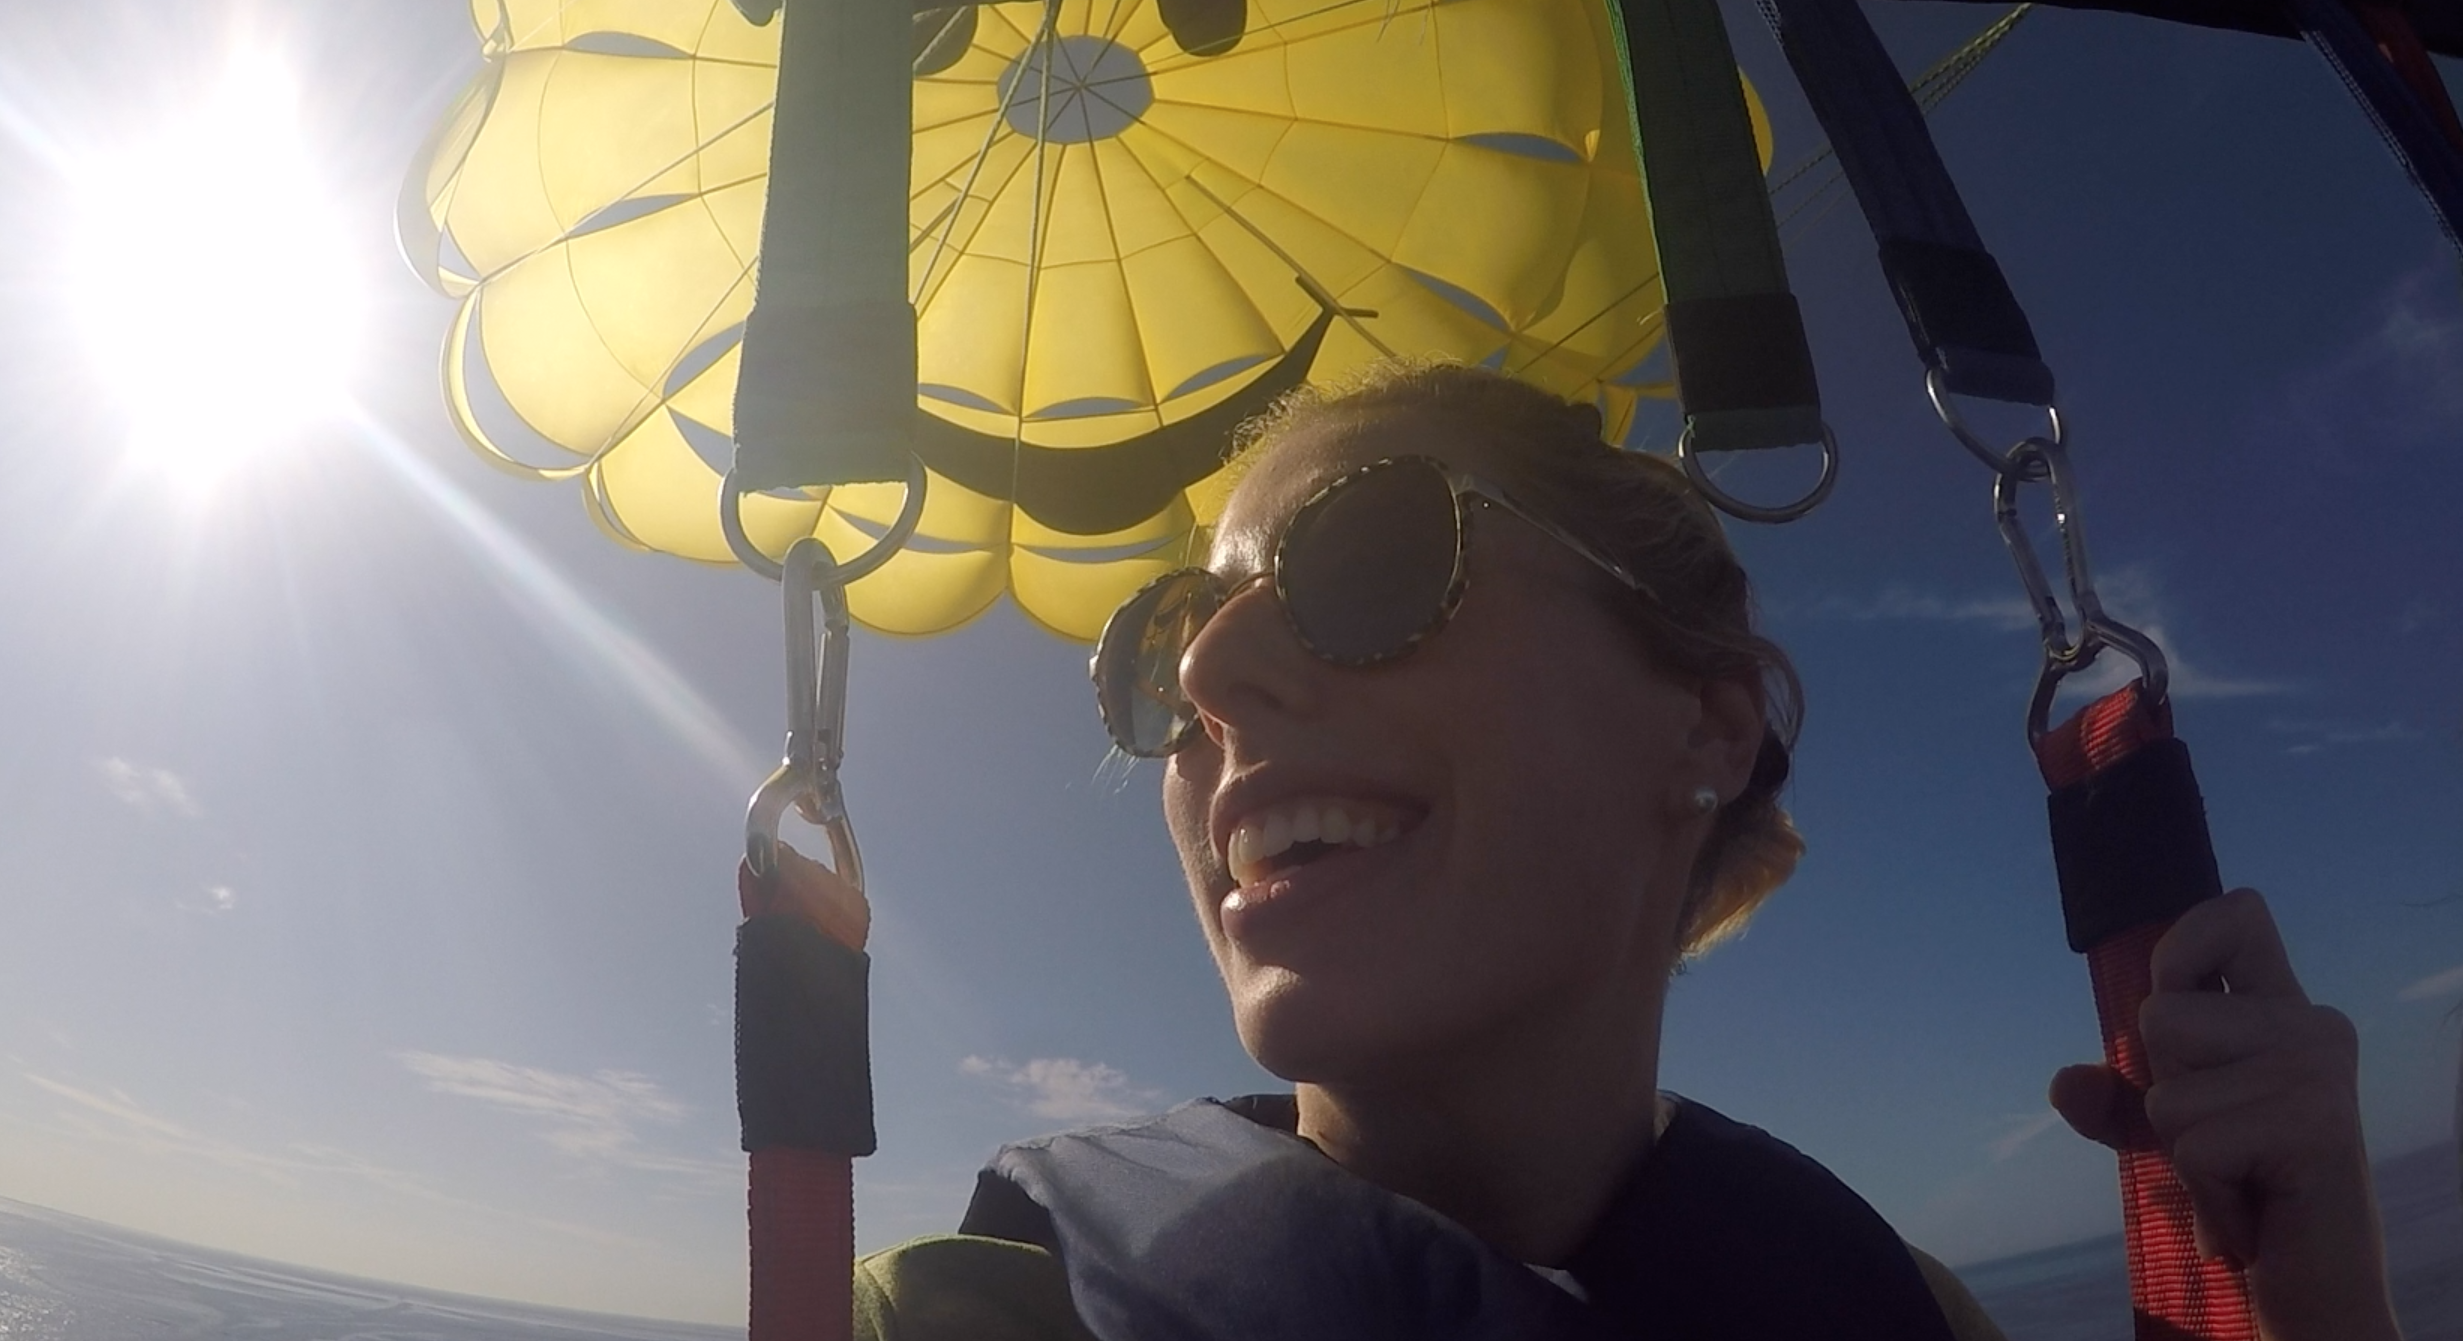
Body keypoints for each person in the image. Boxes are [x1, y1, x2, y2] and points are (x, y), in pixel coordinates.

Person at [849, 362, 2398, 1341]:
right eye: (1166, 638)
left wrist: (2306, 1307)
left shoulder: (1895, 1318)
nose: (1204, 678)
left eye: (1370, 556)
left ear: (1704, 729)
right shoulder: (969, 1313)